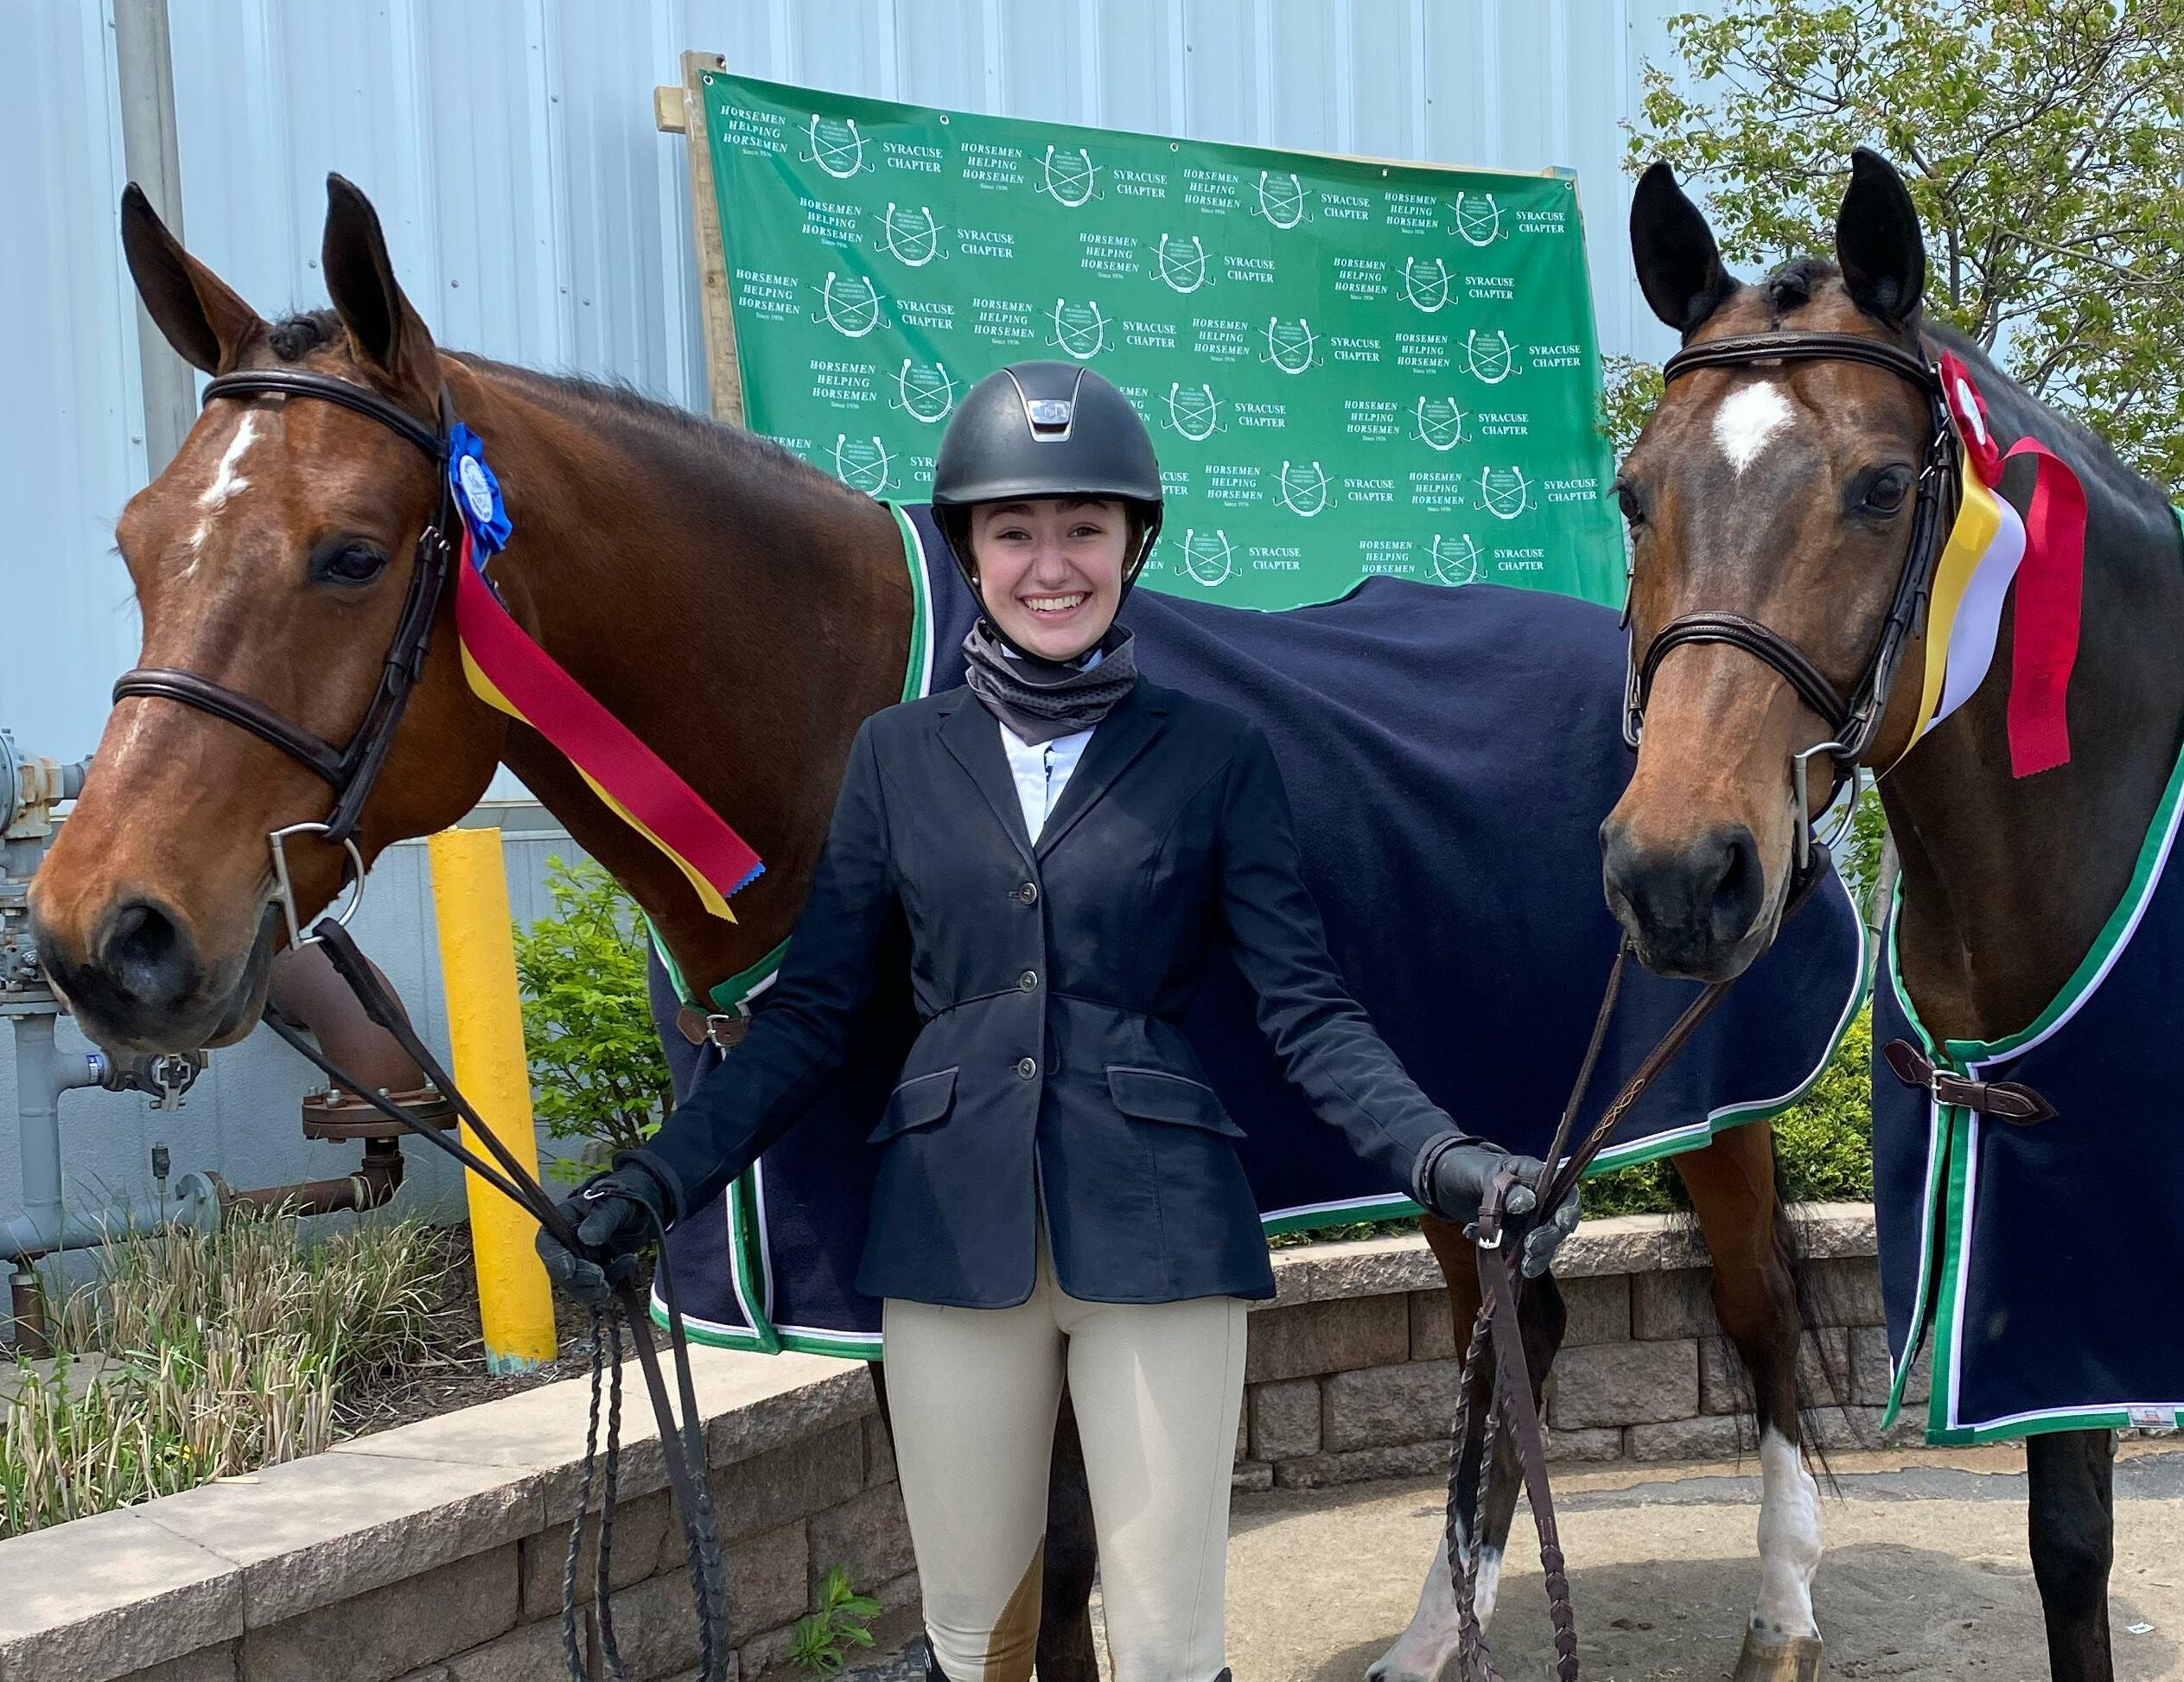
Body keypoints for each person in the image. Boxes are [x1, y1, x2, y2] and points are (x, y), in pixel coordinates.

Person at [538, 360, 1576, 1682]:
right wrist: (653, 1183)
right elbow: (812, 1019)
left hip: (1162, 1236)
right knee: (974, 1639)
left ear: (1132, 545)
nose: (1050, 565)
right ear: (969, 550)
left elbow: (1308, 1014)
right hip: (947, 1239)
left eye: (1083, 528)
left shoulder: (1216, 755)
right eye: (1015, 530)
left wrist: (1449, 1160)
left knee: (1168, 1646)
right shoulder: (896, 757)